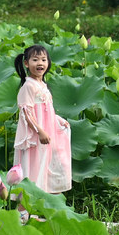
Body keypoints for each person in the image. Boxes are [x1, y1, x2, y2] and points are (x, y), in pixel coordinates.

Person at [13, 45, 71, 193]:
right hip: (35, 136)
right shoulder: (28, 86)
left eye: (44, 59)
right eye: (35, 59)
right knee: (33, 168)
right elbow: (27, 113)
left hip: (47, 133)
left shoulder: (43, 85)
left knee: (47, 166)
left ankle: (43, 205)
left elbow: (47, 110)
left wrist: (58, 120)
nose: (40, 63)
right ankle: (24, 210)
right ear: (26, 63)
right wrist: (40, 132)